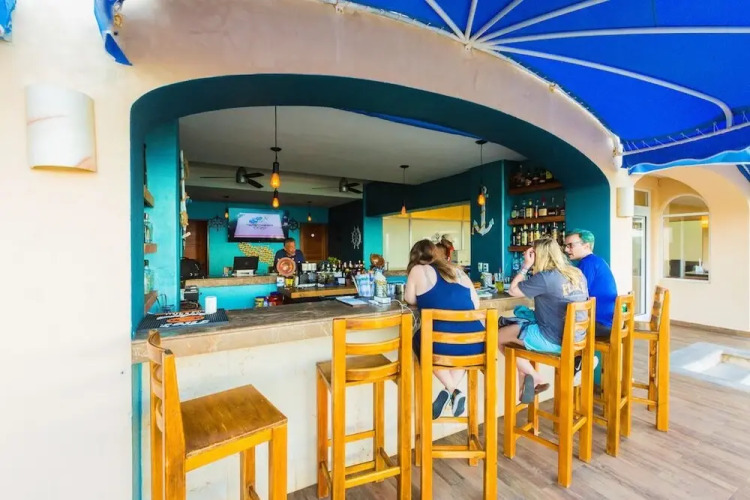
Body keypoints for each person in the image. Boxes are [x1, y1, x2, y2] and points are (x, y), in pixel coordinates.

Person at [503, 237, 589, 403]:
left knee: (498, 337)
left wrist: (525, 266)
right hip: (577, 339)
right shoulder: (577, 273)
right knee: (514, 339)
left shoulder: (545, 277)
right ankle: (524, 386)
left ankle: (534, 376)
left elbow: (513, 291)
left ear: (537, 255)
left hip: (554, 341)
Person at [404, 239, 483, 419]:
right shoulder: (457, 270)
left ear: (414, 257)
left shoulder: (417, 270)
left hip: (442, 346)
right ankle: (452, 390)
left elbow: (410, 299)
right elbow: (476, 304)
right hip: (475, 344)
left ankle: (452, 390)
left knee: (420, 340)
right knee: (458, 344)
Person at [564, 229, 617, 338]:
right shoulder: (597, 261)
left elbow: (577, 295)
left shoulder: (587, 263)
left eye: (570, 245)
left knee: (554, 328)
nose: (566, 249)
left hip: (599, 324)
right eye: (566, 246)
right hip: (609, 322)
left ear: (586, 246)